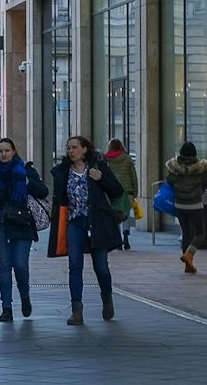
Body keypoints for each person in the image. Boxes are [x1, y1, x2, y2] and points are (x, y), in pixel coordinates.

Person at [48, 135, 125, 325]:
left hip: (97, 222)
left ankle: (107, 297)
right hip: (75, 222)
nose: (71, 151)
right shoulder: (63, 171)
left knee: (101, 267)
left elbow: (117, 191)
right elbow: (60, 198)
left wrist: (101, 180)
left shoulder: (98, 167)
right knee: (75, 266)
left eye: (74, 147)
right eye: (68, 148)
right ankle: (77, 310)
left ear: (84, 149)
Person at [0, 137, 47, 321]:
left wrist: (28, 182)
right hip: (0, 225)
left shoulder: (25, 169)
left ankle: (24, 296)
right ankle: (6, 308)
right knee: (4, 266)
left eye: (7, 150)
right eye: (0, 151)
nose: (4, 154)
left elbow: (43, 191)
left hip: (21, 224)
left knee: (20, 265)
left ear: (14, 151)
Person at [164, 141, 207, 273]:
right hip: (195, 204)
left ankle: (188, 265)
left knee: (186, 233)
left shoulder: (175, 169)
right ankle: (189, 255)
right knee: (200, 233)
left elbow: (169, 181)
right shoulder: (200, 169)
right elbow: (205, 179)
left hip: (180, 204)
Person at [103, 139, 138, 249]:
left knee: (115, 213)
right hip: (128, 190)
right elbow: (133, 175)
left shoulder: (106, 159)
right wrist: (135, 191)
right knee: (125, 213)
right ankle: (126, 234)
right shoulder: (127, 158)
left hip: (113, 190)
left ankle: (118, 239)